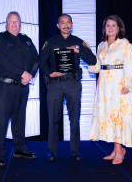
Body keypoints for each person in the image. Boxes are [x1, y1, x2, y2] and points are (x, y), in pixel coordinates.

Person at [39, 14, 97, 161]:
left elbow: (92, 60)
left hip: (73, 84)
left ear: (72, 24)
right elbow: (41, 62)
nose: (65, 25)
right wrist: (49, 73)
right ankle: (52, 150)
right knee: (53, 118)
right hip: (55, 84)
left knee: (74, 118)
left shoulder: (78, 42)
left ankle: (75, 151)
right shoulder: (50, 42)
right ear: (58, 26)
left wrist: (78, 51)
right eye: (62, 23)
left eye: (68, 23)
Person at [88, 15, 132, 165]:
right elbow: (96, 67)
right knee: (109, 116)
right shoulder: (101, 45)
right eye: (107, 25)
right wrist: (86, 52)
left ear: (119, 28)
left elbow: (130, 65)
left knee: (118, 117)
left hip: (118, 85)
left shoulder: (125, 44)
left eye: (113, 25)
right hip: (104, 86)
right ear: (104, 28)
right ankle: (117, 149)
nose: (110, 28)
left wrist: (129, 85)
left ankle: (119, 152)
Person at [0, 11, 39, 167]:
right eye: (11, 21)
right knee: (1, 121)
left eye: (17, 21)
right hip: (4, 86)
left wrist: (30, 74)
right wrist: (21, 72)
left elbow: (36, 59)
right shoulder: (0, 39)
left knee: (19, 120)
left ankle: (20, 149)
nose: (14, 24)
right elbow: (2, 60)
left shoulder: (26, 40)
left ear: (20, 23)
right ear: (6, 23)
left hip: (22, 86)